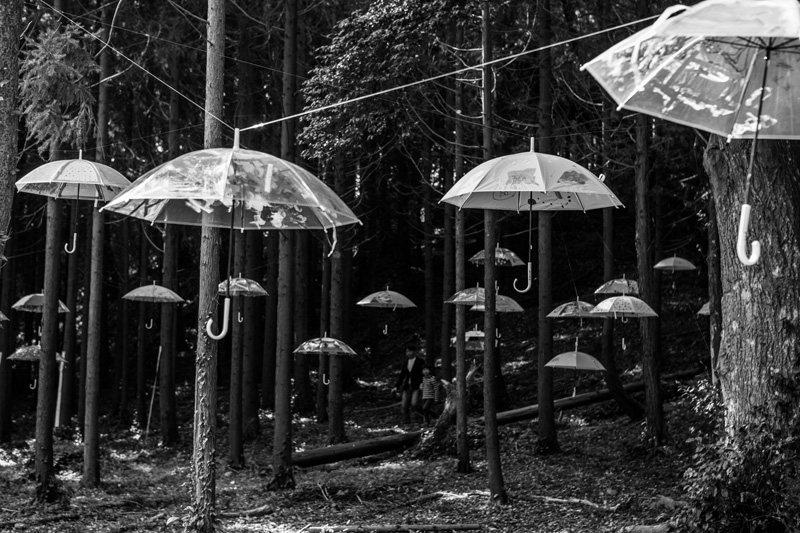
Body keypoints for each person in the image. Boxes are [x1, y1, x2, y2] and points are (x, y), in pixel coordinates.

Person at [395, 343, 425, 424]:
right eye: (407, 351)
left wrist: (422, 383)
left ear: (414, 352)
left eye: (410, 351)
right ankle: (406, 421)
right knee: (404, 405)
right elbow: (402, 375)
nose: (408, 353)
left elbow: (423, 374)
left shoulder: (420, 361)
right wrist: (396, 386)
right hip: (407, 386)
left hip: (416, 386)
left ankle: (415, 419)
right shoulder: (406, 362)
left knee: (414, 403)